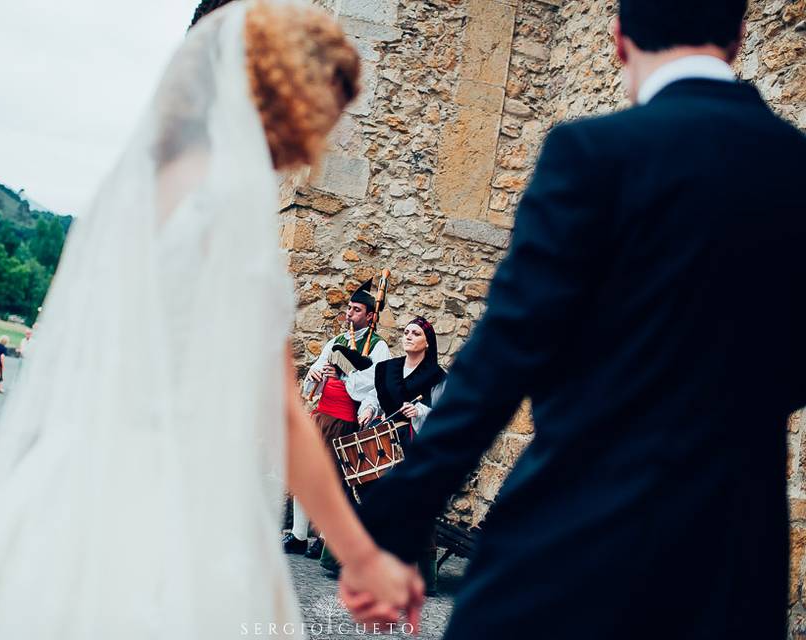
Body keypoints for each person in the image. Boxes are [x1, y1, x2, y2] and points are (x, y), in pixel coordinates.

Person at [0, 3, 422, 638]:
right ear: (288, 97)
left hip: (74, 478)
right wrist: (364, 556)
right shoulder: (228, 210)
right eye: (323, 119)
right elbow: (280, 411)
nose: (318, 142)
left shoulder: (155, 186)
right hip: (166, 501)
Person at [343, 0, 806, 637]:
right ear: (741, 33)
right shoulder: (794, 166)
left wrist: (394, 523)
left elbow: (500, 360)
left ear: (617, 40)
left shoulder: (592, 154)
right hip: (732, 556)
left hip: (574, 534)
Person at [283, 280, 392, 562]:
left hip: (345, 420)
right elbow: (316, 373)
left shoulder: (378, 348)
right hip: (322, 414)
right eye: (348, 309)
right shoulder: (337, 341)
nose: (349, 314)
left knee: (332, 481)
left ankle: (324, 539)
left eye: (356, 310)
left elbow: (375, 386)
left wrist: (344, 370)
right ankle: (298, 535)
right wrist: (315, 377)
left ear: (370, 316)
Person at [351, 316, 446, 594]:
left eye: (415, 333)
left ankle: (424, 578)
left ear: (427, 342)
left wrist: (421, 412)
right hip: (383, 443)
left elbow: (444, 416)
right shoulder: (386, 369)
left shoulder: (437, 377)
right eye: (406, 332)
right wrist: (367, 409)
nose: (408, 336)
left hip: (415, 445)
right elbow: (374, 397)